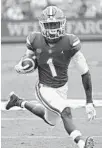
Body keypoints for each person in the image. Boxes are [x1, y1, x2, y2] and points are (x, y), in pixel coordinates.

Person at [6, 6, 96, 148]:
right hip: (44, 87)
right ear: (42, 26)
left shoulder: (70, 42)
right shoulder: (35, 39)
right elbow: (28, 57)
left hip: (61, 87)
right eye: (49, 25)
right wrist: (22, 64)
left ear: (62, 24)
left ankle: (18, 102)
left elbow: (85, 72)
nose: (52, 29)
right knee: (65, 110)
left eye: (55, 24)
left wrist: (89, 102)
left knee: (51, 120)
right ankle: (81, 142)